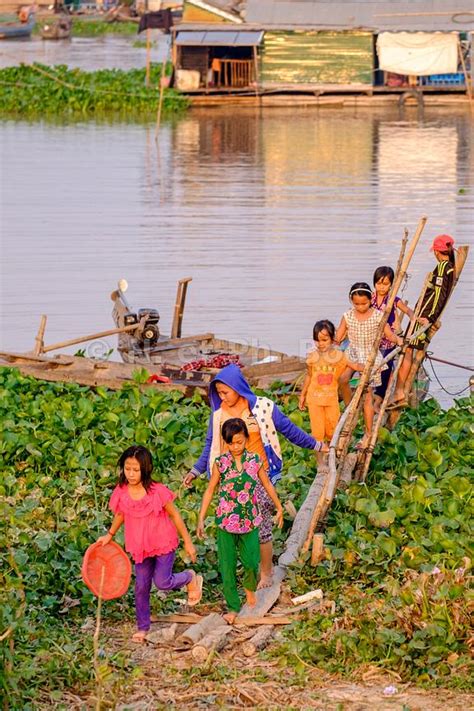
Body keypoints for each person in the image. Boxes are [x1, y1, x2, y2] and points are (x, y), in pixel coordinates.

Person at [183, 364, 327, 589]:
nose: (222, 397)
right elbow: (211, 445)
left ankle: (267, 574)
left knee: (261, 528)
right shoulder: (218, 415)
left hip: (260, 476)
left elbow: (289, 430)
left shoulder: (262, 408)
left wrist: (317, 444)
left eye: (225, 392)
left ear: (237, 388)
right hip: (230, 480)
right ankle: (248, 570)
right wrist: (196, 470)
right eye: (218, 393)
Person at [97, 445, 202, 643]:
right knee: (141, 586)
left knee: (162, 582)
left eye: (136, 470)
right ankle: (143, 626)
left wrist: (188, 542)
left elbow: (175, 515)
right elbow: (120, 514)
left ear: (146, 469)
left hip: (163, 542)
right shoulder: (122, 492)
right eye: (127, 469)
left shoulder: (157, 491)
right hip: (139, 546)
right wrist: (109, 535)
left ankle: (189, 577)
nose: (131, 474)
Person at [197, 418, 283, 623]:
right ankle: (233, 606)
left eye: (240, 442)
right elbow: (210, 490)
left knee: (252, 562)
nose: (236, 447)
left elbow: (267, 484)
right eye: (231, 443)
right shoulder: (221, 463)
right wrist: (201, 517)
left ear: (246, 439)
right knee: (227, 565)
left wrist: (279, 506)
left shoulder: (254, 461)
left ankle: (249, 587)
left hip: (250, 519)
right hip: (226, 521)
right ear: (226, 443)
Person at [391, 235, 456, 406]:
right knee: (409, 350)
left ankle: (400, 392)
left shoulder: (443, 267)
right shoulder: (449, 267)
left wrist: (429, 317)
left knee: (407, 350)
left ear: (436, 251)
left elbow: (439, 296)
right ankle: (402, 391)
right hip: (424, 314)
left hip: (424, 315)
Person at [335, 283, 403, 448]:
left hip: (370, 357)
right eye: (356, 303)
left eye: (364, 303)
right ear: (351, 301)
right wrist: (330, 341)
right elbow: (338, 336)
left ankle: (368, 432)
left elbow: (389, 335)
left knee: (367, 395)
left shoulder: (378, 315)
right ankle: (350, 406)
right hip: (353, 353)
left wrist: (398, 340)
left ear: (370, 300)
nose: (360, 307)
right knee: (343, 379)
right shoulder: (348, 315)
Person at [299, 320, 364, 451]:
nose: (320, 344)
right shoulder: (312, 357)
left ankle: (331, 454)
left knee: (333, 430)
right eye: (317, 340)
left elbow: (355, 365)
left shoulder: (339, 356)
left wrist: (367, 365)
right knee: (317, 434)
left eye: (324, 340)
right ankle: (321, 463)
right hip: (314, 400)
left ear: (332, 339)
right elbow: (309, 376)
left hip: (331, 401)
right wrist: (302, 395)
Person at [371, 266, 424, 410]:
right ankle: (375, 397)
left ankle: (382, 398)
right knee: (374, 367)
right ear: (374, 283)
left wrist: (414, 317)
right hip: (373, 339)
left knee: (387, 366)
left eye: (385, 284)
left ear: (392, 284)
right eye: (379, 283)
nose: (381, 287)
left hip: (390, 340)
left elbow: (407, 310)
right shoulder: (370, 299)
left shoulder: (393, 300)